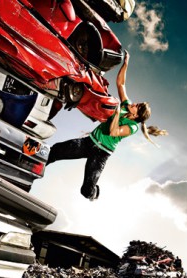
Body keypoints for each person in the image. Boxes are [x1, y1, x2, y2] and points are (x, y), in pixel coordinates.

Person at [46, 51, 167, 200]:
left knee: (86, 190)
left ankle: (94, 193)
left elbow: (113, 131)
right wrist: (126, 64)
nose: (134, 103)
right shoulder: (126, 105)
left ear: (136, 115)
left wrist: (116, 114)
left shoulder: (133, 127)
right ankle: (33, 166)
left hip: (101, 154)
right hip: (88, 142)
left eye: (137, 106)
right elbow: (121, 84)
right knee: (57, 149)